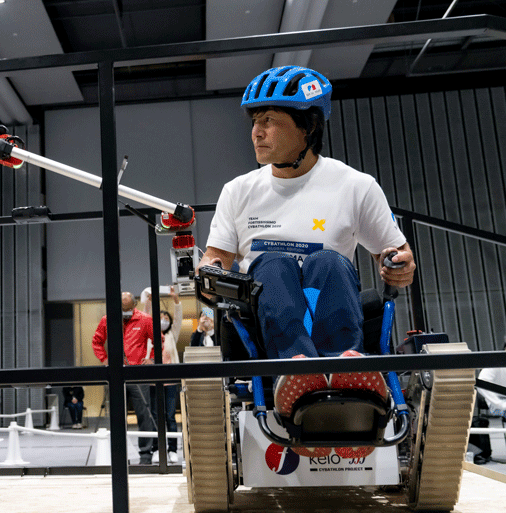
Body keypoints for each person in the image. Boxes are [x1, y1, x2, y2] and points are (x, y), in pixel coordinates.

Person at [196, 65, 416, 458]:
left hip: (330, 300)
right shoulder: (238, 191)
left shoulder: (355, 185)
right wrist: (207, 269)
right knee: (273, 264)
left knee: (329, 262)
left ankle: (343, 372)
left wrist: (397, 265)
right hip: (267, 318)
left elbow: (400, 259)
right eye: (255, 121)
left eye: (269, 121)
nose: (256, 132)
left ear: (307, 128)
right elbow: (216, 259)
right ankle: (297, 368)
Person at [92, 291, 158, 464]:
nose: (125, 312)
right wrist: (105, 359)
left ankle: (145, 454)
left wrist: (151, 358)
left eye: (127, 309)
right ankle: (120, 455)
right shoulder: (108, 320)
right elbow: (97, 341)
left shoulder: (144, 319)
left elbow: (159, 339)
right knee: (117, 416)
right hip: (115, 374)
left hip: (137, 374)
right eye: (121, 309)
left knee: (144, 415)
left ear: (134, 305)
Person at [141, 285, 183, 463]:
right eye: (160, 317)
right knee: (155, 416)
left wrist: (176, 300)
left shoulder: (172, 335)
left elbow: (179, 318)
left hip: (171, 381)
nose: (163, 320)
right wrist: (149, 302)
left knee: (170, 416)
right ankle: (157, 448)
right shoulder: (150, 336)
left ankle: (172, 449)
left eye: (166, 317)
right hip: (153, 380)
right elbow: (145, 317)